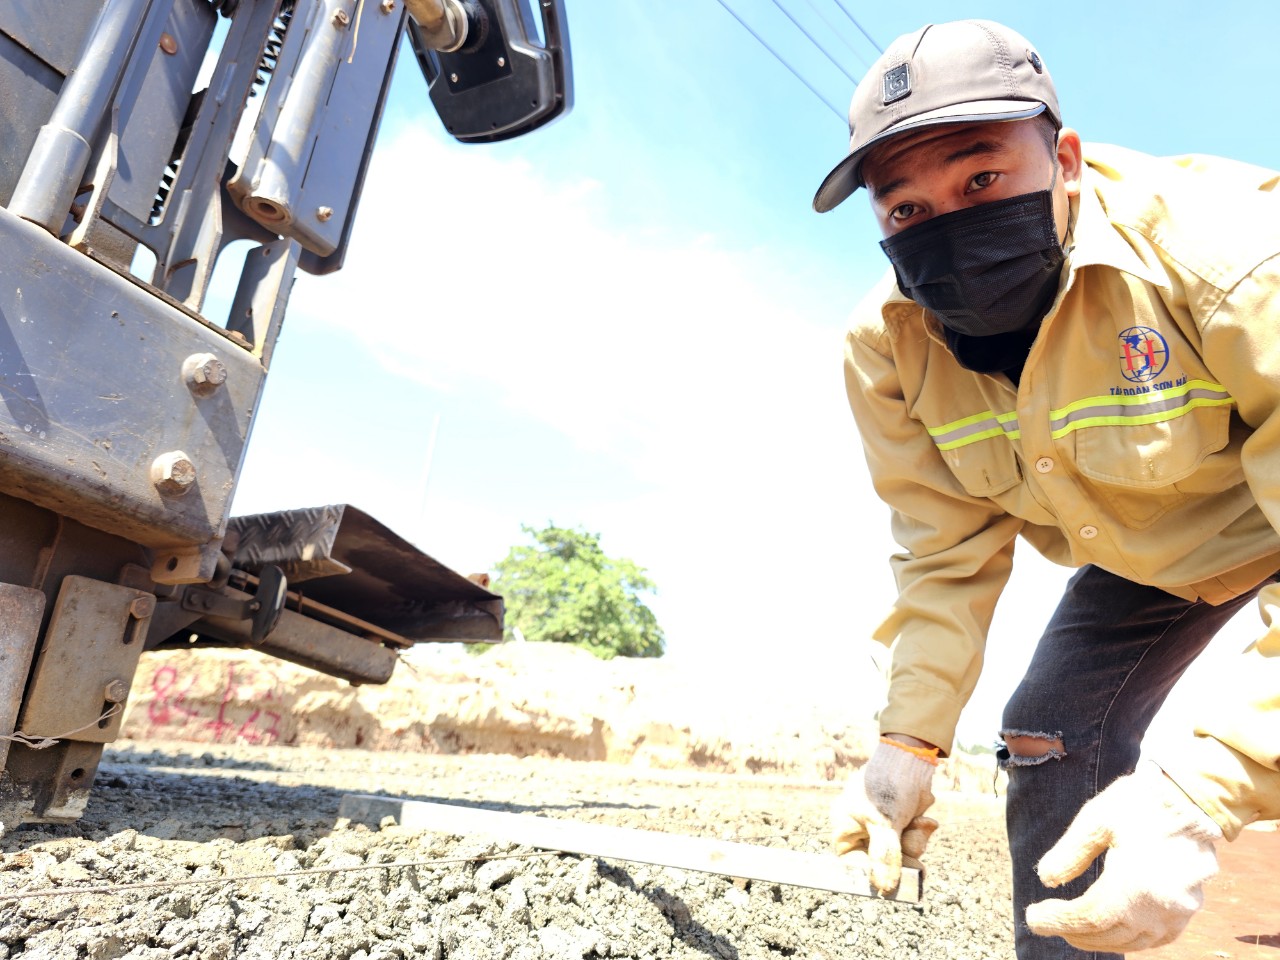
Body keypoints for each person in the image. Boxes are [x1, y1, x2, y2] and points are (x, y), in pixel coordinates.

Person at [812, 18, 1280, 959]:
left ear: (1064, 160)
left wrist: (1199, 789)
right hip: (1150, 553)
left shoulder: (1227, 252)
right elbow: (944, 557)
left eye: (981, 180)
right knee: (1049, 731)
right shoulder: (890, 353)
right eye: (907, 212)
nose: (948, 227)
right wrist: (905, 749)